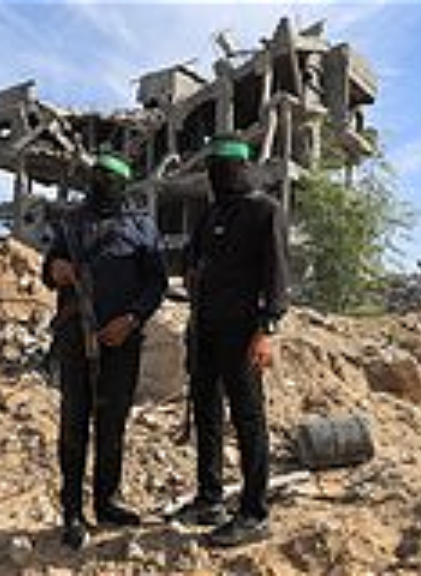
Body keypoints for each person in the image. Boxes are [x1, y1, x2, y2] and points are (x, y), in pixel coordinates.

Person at [42, 152, 168, 550]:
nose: (101, 184)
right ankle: (72, 511)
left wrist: (131, 319)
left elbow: (156, 284)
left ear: (123, 185)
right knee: (74, 425)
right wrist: (56, 270)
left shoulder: (141, 226)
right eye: (97, 176)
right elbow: (49, 269)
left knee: (112, 424)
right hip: (76, 339)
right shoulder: (71, 223)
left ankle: (107, 501)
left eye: (110, 178)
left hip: (122, 342)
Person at [174, 135, 290, 547]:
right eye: (213, 168)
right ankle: (210, 500)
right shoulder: (210, 214)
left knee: (248, 419)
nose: (218, 175)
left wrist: (266, 331)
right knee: (206, 413)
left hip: (243, 332)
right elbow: (190, 260)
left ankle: (254, 513)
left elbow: (276, 278)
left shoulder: (265, 210)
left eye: (225, 167)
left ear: (242, 168)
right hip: (205, 329)